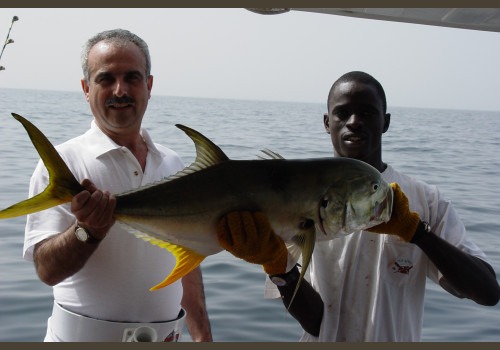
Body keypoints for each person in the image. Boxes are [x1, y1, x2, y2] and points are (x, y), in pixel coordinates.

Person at [216, 71, 500, 341]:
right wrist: (279, 268)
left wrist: (417, 233)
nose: (354, 121)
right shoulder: (297, 196)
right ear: (327, 123)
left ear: (385, 122)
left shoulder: (425, 200)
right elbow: (315, 322)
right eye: (342, 113)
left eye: (367, 113)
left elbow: (487, 292)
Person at [22, 29, 212, 342]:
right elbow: (47, 270)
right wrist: (87, 232)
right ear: (86, 88)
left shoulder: (174, 164)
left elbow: (187, 262)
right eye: (106, 79)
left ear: (149, 86)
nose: (120, 90)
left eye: (132, 78)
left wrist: (204, 336)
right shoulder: (64, 162)